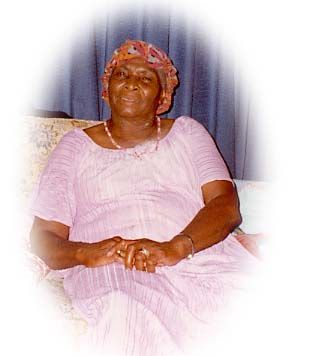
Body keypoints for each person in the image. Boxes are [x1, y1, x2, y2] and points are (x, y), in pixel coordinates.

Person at [29, 40, 258, 356]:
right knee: (130, 321)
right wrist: (85, 253)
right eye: (122, 73)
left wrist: (175, 248)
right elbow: (44, 236)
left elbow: (225, 205)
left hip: (196, 256)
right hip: (117, 266)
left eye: (146, 78)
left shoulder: (188, 133)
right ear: (107, 86)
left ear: (163, 97)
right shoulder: (74, 147)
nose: (131, 83)